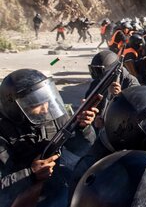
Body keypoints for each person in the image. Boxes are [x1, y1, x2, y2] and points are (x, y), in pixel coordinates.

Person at [0, 69, 97, 206]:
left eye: (45, 101)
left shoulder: (52, 113)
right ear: (15, 107)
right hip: (15, 196)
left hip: (53, 183)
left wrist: (83, 127)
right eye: (36, 105)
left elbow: (81, 148)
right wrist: (31, 174)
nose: (45, 108)